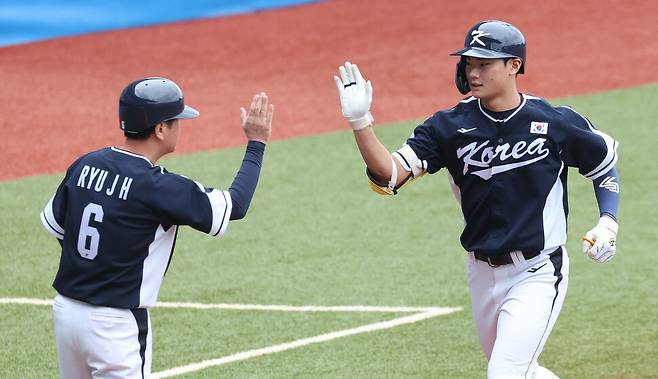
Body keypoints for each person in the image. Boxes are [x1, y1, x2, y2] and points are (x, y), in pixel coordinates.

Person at [333, 20, 620, 379]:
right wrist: (361, 121)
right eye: (470, 63)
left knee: (505, 372)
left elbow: (604, 164)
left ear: (514, 65)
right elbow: (390, 175)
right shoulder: (446, 128)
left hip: (538, 271)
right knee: (519, 371)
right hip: (481, 274)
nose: (473, 72)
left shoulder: (554, 122)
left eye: (484, 64)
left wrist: (608, 220)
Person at [40, 77, 274, 378]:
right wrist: (256, 144)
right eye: (177, 120)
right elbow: (235, 205)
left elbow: (58, 227)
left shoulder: (85, 164)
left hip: (66, 313)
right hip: (115, 325)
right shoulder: (159, 186)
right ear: (160, 128)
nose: (181, 127)